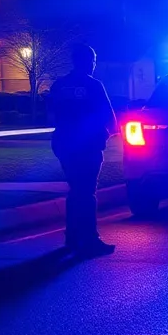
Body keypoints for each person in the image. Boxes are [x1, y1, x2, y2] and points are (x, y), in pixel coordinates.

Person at [49, 43, 118, 256]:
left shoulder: (59, 86)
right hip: (88, 147)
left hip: (65, 145)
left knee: (75, 190)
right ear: (89, 62)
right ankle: (89, 239)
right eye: (93, 61)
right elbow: (109, 116)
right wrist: (106, 133)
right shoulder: (94, 85)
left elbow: (51, 116)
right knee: (87, 192)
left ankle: (72, 237)